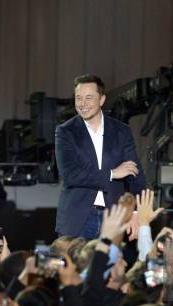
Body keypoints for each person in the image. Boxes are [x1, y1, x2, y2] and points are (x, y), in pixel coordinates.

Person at [55, 75, 146, 239]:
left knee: (110, 264)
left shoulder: (121, 131)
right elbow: (70, 175)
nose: (82, 104)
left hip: (112, 219)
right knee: (75, 265)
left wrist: (136, 213)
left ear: (102, 99)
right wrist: (112, 173)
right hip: (78, 220)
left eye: (89, 98)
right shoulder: (65, 132)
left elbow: (135, 176)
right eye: (78, 98)